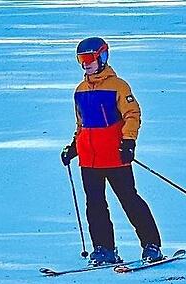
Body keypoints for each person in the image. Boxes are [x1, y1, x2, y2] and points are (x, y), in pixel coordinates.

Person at [60, 37, 163, 265]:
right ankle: (104, 249)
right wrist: (74, 148)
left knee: (129, 200)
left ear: (102, 57)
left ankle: (151, 245)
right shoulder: (80, 90)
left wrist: (128, 142)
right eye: (81, 59)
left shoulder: (118, 86)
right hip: (89, 160)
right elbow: (82, 125)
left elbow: (132, 115)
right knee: (95, 205)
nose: (85, 64)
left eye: (89, 58)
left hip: (115, 156)